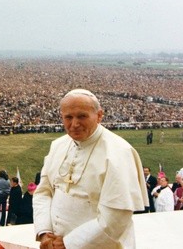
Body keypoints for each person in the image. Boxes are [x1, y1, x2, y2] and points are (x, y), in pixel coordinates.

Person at [33, 89, 148, 249]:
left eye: (82, 116)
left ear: (99, 115)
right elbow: (43, 192)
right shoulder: (58, 145)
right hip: (55, 243)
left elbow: (116, 216)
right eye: (68, 117)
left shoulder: (119, 153)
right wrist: (44, 232)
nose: (74, 124)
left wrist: (69, 243)